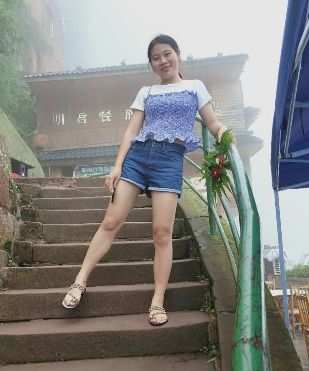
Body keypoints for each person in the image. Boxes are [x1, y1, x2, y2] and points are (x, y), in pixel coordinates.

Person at [62, 34, 228, 326]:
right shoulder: (146, 92)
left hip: (169, 161)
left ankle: (157, 300)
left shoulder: (195, 87)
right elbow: (131, 131)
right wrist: (117, 166)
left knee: (162, 233)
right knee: (111, 221)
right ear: (151, 64)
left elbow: (212, 122)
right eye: (156, 57)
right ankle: (79, 281)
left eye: (167, 54)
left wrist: (225, 137)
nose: (163, 60)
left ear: (178, 54)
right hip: (138, 158)